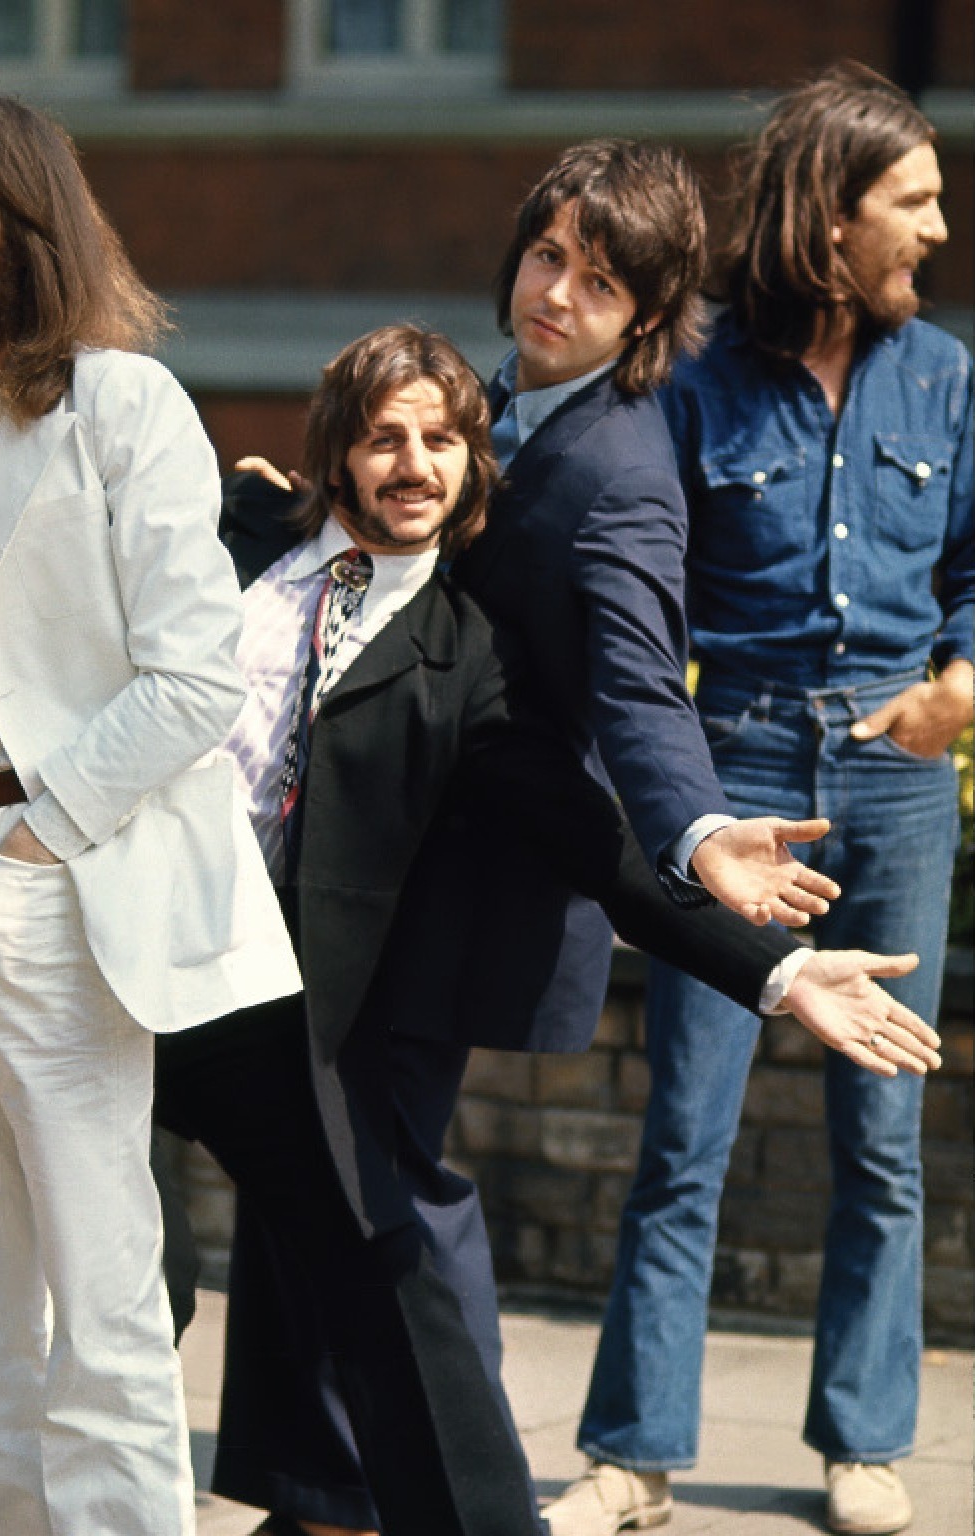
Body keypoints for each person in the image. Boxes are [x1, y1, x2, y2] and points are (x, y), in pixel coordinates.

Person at [162, 322, 943, 1536]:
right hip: (119, 963)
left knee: (383, 1262)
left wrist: (779, 968)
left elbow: (603, 848)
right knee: (132, 1268)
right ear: (335, 453)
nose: (412, 463)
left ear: (476, 467)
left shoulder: (470, 660)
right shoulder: (233, 538)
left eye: (440, 441)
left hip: (279, 1002)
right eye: (382, 438)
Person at [0, 91, 301, 1536]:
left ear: (21, 224)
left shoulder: (124, 402)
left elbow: (197, 667)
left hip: (44, 877)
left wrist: (44, 829)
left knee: (100, 1291)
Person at [557, 64, 973, 1536]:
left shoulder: (950, 376)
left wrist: (964, 681)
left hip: (899, 782)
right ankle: (633, 1454)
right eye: (911, 201)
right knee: (688, 1127)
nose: (936, 226)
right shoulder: (695, 377)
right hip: (734, 777)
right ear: (831, 213)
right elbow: (635, 588)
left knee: (883, 1127)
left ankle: (865, 1442)